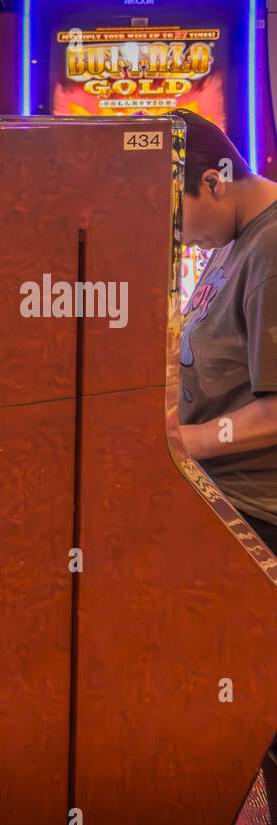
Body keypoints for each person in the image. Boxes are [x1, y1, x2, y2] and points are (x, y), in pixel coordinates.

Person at [175, 109, 277, 553]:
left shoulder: (271, 247)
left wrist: (181, 442)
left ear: (214, 182)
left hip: (253, 510)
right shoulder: (234, 234)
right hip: (215, 488)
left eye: (177, 218)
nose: (178, 237)